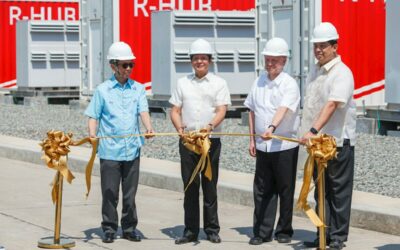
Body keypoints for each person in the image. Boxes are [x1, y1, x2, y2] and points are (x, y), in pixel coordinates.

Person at [84, 41, 154, 244]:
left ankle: (130, 228)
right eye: (124, 65)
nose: (129, 69)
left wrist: (148, 128)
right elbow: (93, 115)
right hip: (109, 150)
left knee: (130, 194)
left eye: (131, 64)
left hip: (132, 149)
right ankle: (109, 228)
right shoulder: (102, 90)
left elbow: (143, 111)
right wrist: (92, 135)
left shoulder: (138, 89)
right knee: (109, 192)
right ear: (113, 66)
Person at [300, 22, 356, 250]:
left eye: (323, 46)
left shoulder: (342, 73)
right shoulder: (315, 71)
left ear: (335, 46)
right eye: (316, 46)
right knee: (320, 191)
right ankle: (322, 233)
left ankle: (338, 238)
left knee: (338, 192)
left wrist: (312, 131)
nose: (318, 50)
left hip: (337, 142)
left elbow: (333, 104)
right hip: (317, 145)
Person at [169, 38, 231, 244]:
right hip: (188, 142)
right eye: (196, 58)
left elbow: (222, 109)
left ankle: (212, 229)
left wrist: (210, 126)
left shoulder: (219, 83)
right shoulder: (182, 82)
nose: (200, 62)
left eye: (203, 58)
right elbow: (175, 110)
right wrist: (180, 129)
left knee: (210, 185)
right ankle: (190, 231)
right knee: (190, 186)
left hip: (210, 142)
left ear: (210, 60)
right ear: (191, 61)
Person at [244, 37, 300, 245]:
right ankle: (262, 231)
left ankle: (284, 229)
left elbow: (283, 109)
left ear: (284, 61)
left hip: (284, 145)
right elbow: (251, 110)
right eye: (267, 59)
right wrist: (252, 139)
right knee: (262, 189)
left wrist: (271, 128)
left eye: (274, 60)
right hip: (262, 145)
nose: (270, 64)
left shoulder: (289, 84)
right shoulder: (258, 81)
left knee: (285, 189)